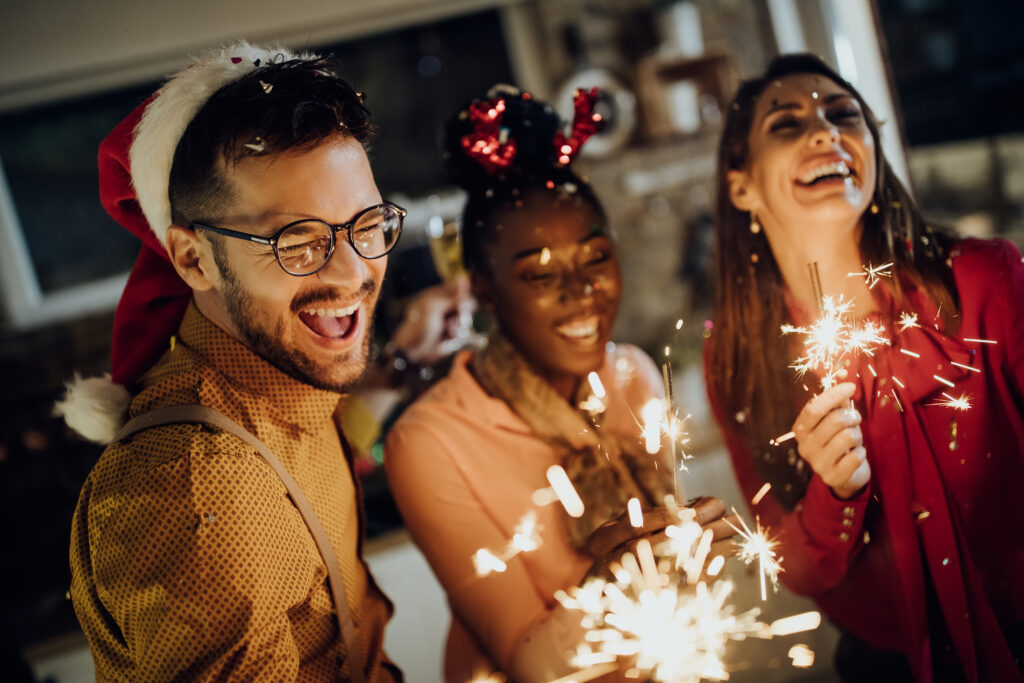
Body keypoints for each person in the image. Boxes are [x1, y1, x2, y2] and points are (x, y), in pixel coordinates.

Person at [57, 43, 405, 681]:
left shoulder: (282, 376)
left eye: (367, 224)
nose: (356, 273)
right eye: (298, 242)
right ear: (193, 260)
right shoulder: (197, 493)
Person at [384, 86, 732, 681]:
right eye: (538, 272)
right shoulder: (428, 443)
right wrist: (610, 582)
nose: (581, 293)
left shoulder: (634, 375)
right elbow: (523, 662)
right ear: (484, 289)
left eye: (595, 258)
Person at [705, 53, 1024, 683]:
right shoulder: (735, 360)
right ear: (741, 184)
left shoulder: (983, 279)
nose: (825, 131)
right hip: (882, 666)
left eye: (843, 114)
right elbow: (794, 568)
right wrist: (837, 492)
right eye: (787, 124)